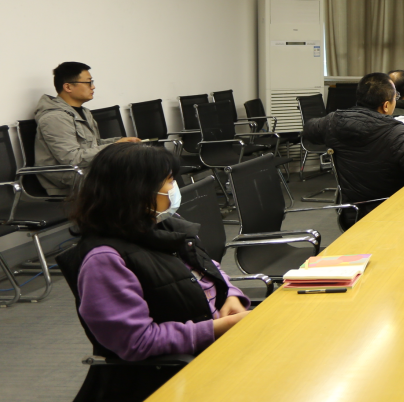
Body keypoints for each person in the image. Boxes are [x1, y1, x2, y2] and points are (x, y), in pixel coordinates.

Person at [55, 143, 249, 401]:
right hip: (171, 377)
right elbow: (137, 341)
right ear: (137, 190)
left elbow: (207, 268)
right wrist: (218, 328)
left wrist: (231, 295)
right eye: (168, 180)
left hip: (216, 349)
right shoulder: (104, 260)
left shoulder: (164, 225)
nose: (174, 188)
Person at [303, 72, 404, 218]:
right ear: (386, 106)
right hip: (393, 210)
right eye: (395, 98)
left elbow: (308, 130)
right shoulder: (395, 130)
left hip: (351, 213)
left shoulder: (333, 121)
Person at [33, 62, 140, 194]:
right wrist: (114, 146)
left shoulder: (84, 112)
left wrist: (121, 143)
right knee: (137, 174)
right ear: (68, 87)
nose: (93, 87)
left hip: (88, 168)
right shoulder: (55, 118)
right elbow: (71, 158)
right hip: (69, 176)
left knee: (145, 164)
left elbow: (93, 145)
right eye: (89, 82)